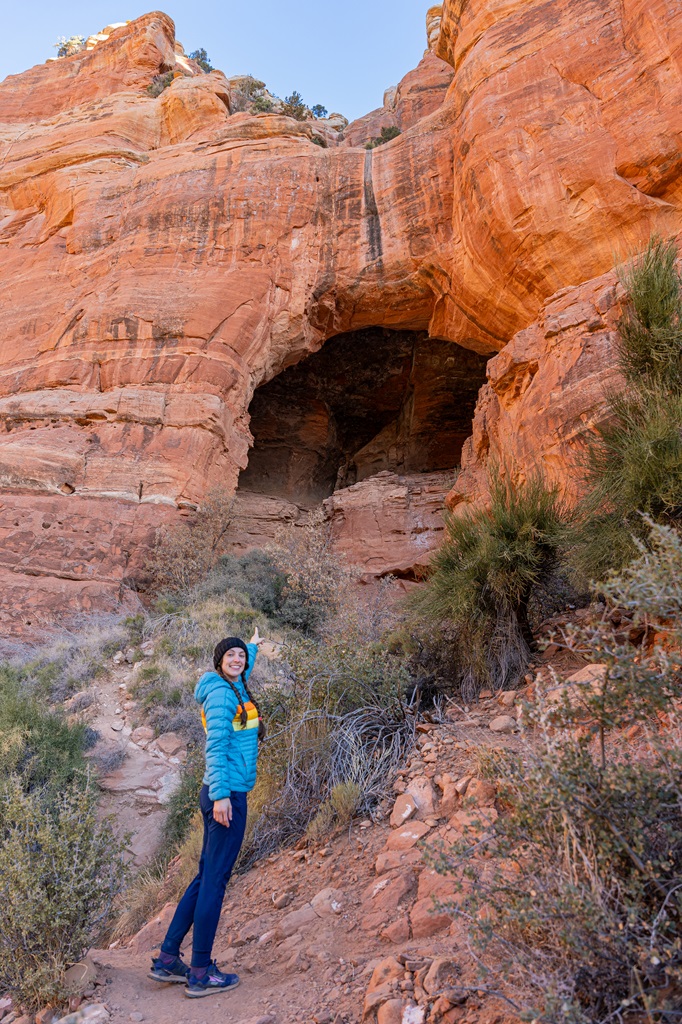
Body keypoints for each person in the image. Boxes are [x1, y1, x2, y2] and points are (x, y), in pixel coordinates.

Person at [148, 627, 265, 998]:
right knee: (215, 882)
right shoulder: (219, 696)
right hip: (225, 794)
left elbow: (242, 667)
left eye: (240, 657)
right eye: (230, 656)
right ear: (218, 662)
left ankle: (168, 959)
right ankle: (199, 972)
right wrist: (221, 797)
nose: (237, 660)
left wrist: (251, 647)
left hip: (226, 790)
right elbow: (214, 746)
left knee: (204, 877)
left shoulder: (234, 684)